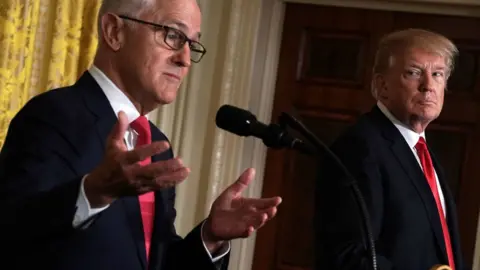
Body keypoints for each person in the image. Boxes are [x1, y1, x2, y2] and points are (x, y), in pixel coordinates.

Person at [0, 0, 282, 269]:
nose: (185, 59)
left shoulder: (158, 146)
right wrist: (93, 193)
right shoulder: (54, 115)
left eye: (192, 43)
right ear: (114, 31)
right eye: (173, 35)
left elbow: (151, 262)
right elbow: (11, 230)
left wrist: (210, 237)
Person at [314, 28, 467, 270]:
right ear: (381, 85)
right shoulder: (360, 148)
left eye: (437, 74)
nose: (428, 86)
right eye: (414, 73)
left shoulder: (422, 150)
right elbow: (349, 256)